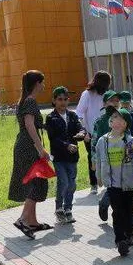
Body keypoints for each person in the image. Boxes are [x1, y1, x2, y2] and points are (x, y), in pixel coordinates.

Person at [95, 108, 133, 257]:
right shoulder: (102, 141)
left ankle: (130, 232)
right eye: (114, 118)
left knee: (129, 210)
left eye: (121, 120)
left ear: (126, 125)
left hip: (128, 184)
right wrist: (98, 176)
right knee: (117, 212)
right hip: (112, 184)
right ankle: (120, 240)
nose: (117, 121)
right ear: (110, 122)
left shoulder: (130, 142)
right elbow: (98, 159)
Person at [8, 70, 50, 239]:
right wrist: (40, 148)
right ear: (36, 84)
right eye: (42, 82)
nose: (44, 85)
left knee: (35, 182)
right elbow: (29, 125)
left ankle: (32, 222)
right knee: (36, 183)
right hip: (29, 147)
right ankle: (23, 220)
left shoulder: (25, 100)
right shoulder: (30, 101)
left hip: (24, 145)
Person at [45, 86, 86, 225]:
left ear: (68, 100)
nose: (62, 102)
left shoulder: (72, 116)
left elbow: (80, 128)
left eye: (65, 99)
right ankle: (59, 208)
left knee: (72, 184)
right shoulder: (51, 117)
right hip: (59, 157)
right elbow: (53, 138)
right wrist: (67, 145)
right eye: (59, 99)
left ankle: (68, 209)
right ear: (54, 101)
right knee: (64, 182)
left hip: (72, 157)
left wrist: (82, 133)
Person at [76, 71, 111, 194]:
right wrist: (84, 131)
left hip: (106, 132)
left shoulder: (107, 94)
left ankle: (108, 181)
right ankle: (93, 184)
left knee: (108, 157)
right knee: (92, 158)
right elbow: (79, 113)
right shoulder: (87, 94)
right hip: (90, 133)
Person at [93, 91, 121, 222]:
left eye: (117, 100)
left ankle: (114, 209)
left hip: (122, 158)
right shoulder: (100, 121)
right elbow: (94, 142)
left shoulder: (123, 118)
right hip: (107, 160)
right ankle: (105, 203)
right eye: (111, 100)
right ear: (104, 104)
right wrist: (94, 160)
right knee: (114, 185)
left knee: (119, 185)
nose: (115, 103)